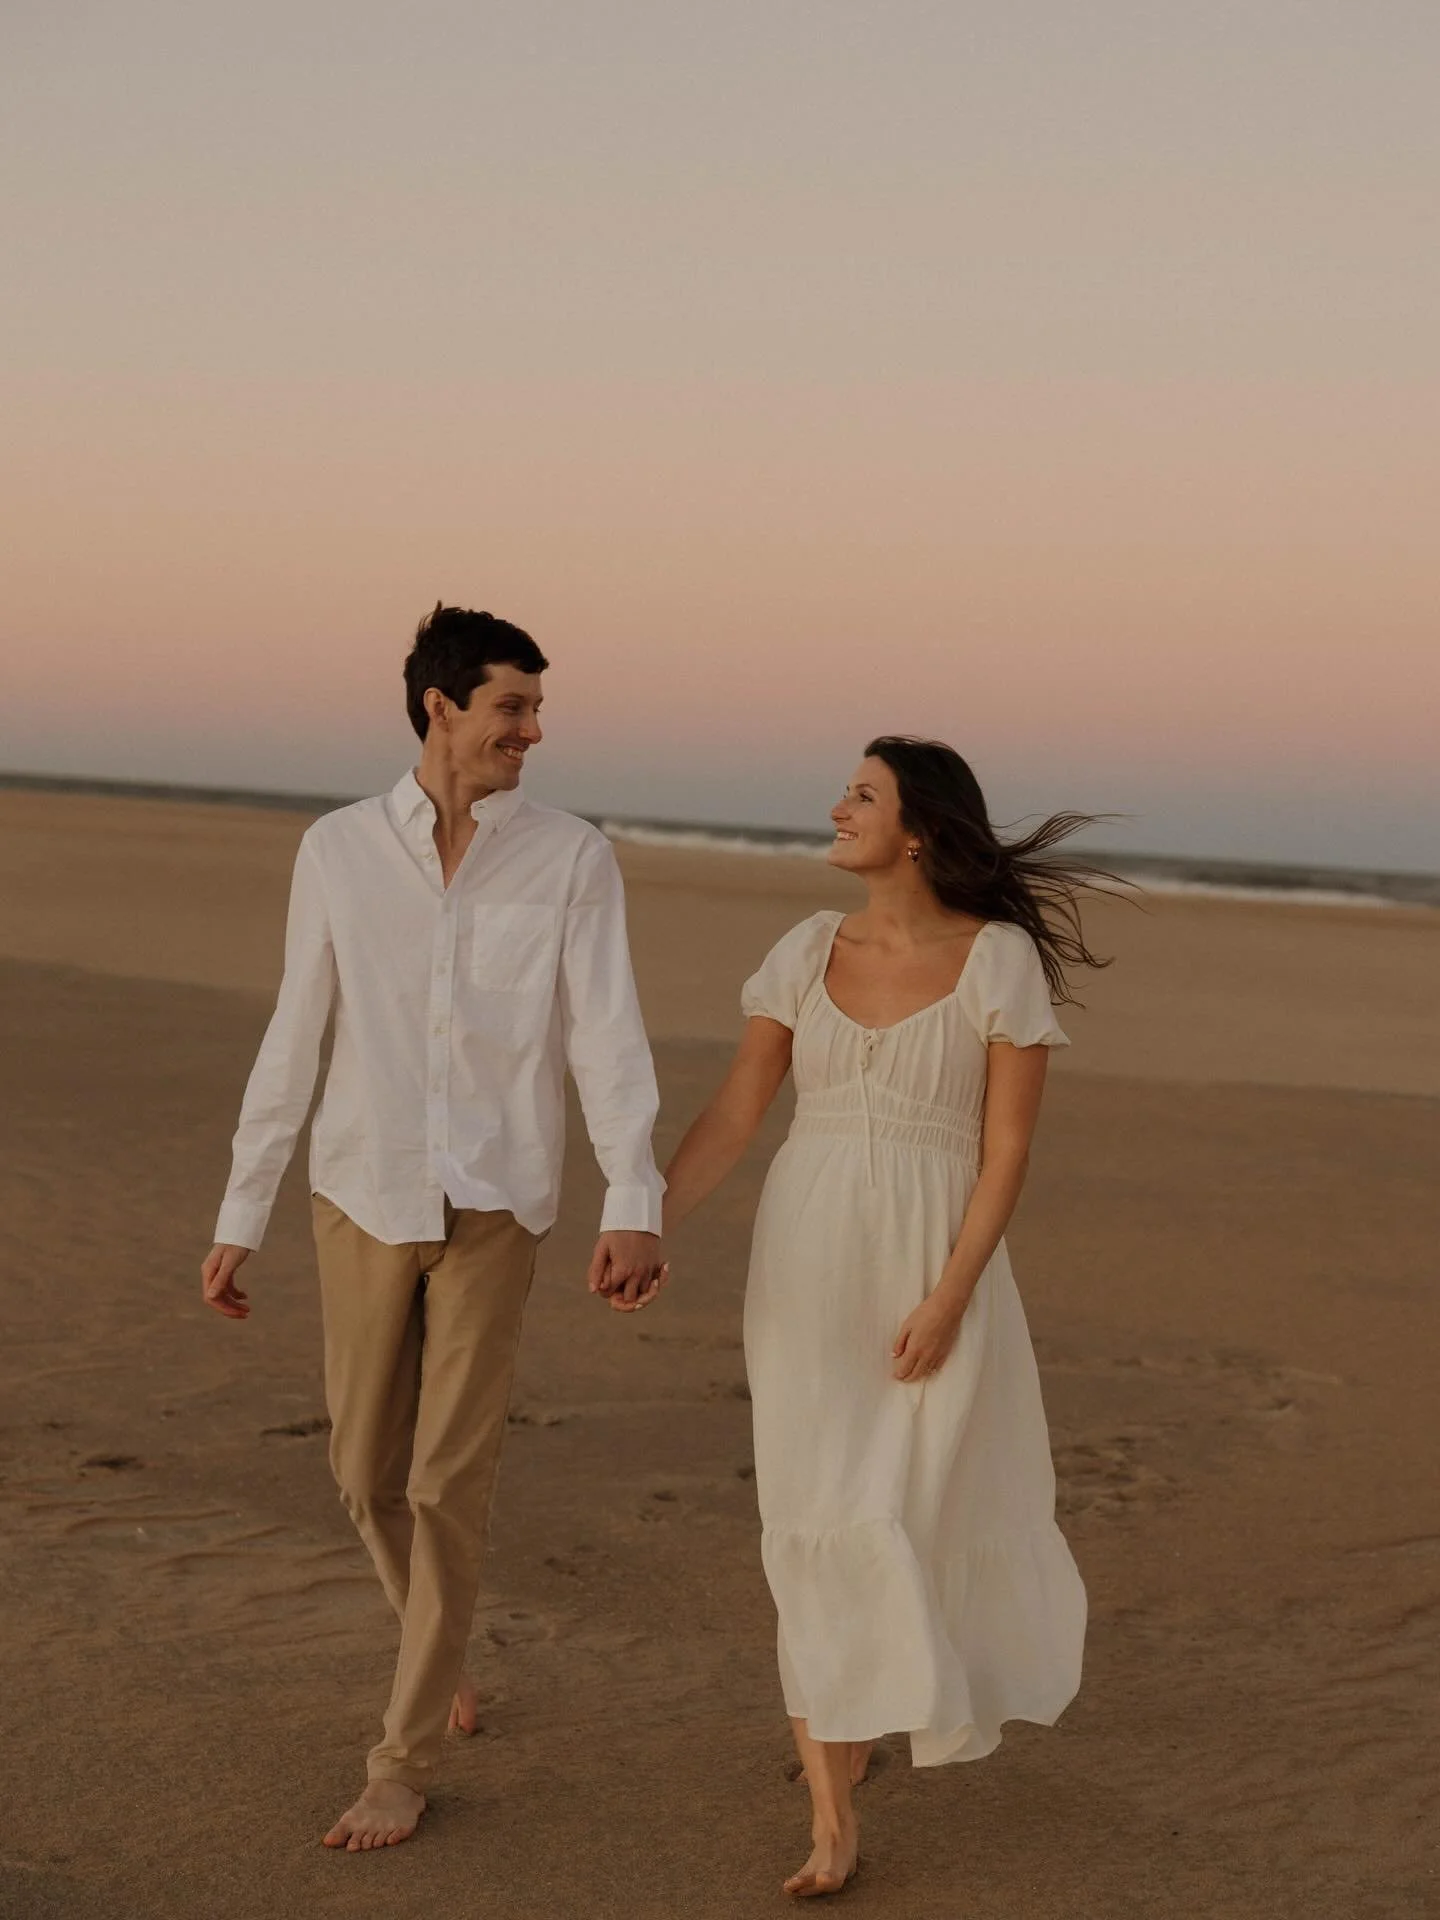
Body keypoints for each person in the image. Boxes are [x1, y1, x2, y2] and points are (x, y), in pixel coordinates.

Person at [201, 604, 666, 1852]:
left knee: (445, 1480)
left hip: (498, 1201)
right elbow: (297, 1032)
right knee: (361, 1474)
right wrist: (240, 1210)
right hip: (361, 1189)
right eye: (514, 706)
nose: (534, 730)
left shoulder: (571, 857)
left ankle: (400, 1758)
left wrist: (635, 1199)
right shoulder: (340, 851)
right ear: (441, 706)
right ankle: (437, 1638)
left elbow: (604, 1037)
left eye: (536, 708)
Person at [648, 736, 1101, 1898]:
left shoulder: (998, 962)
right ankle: (834, 1815)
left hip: (933, 1273)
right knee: (814, 1520)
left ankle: (872, 1720)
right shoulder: (805, 950)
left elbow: (1006, 1155)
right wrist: (646, 1220)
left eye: (862, 794)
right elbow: (738, 1114)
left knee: (900, 1506)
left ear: (918, 830)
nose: (836, 806)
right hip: (806, 1268)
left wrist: (950, 1297)